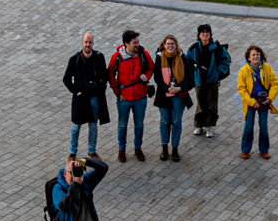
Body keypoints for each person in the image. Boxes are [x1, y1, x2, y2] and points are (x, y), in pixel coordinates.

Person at [107, 29, 153, 162]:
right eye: (134, 43)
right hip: (124, 98)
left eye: (138, 42)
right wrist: (117, 92)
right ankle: (122, 149)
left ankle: (138, 148)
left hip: (140, 96)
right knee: (122, 125)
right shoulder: (117, 57)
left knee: (139, 125)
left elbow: (151, 67)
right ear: (126, 44)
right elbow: (110, 74)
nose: (138, 45)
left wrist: (147, 76)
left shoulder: (143, 54)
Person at [62, 31, 109, 157]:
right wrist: (75, 91)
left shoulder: (99, 57)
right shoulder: (74, 60)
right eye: (86, 42)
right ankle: (72, 152)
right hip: (81, 99)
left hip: (94, 98)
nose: (88, 45)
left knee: (93, 126)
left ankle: (91, 151)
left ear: (93, 43)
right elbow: (66, 79)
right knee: (76, 127)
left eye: (90, 42)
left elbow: (105, 76)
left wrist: (102, 89)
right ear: (82, 43)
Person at [152, 34, 194, 162]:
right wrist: (166, 88)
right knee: (164, 122)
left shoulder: (183, 57)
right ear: (164, 45)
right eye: (168, 44)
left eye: (172, 44)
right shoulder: (159, 57)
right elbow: (157, 77)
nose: (170, 46)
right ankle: (164, 148)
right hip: (163, 95)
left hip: (178, 95)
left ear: (176, 45)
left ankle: (175, 148)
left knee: (176, 122)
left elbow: (190, 79)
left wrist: (179, 88)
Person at [187, 23, 231, 139]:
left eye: (207, 32)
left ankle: (209, 126)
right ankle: (199, 125)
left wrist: (217, 72)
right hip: (199, 80)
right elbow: (187, 62)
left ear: (210, 34)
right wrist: (194, 72)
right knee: (201, 103)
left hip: (212, 80)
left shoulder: (217, 48)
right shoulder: (194, 48)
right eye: (203, 32)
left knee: (212, 103)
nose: (205, 34)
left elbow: (226, 61)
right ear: (199, 35)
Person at [237, 45, 278, 160]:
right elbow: (241, 89)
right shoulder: (244, 71)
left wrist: (269, 98)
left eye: (258, 54)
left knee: (264, 127)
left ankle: (264, 150)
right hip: (250, 103)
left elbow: (274, 84)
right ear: (248, 58)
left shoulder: (267, 68)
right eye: (253, 55)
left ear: (261, 56)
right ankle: (245, 149)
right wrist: (252, 102)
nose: (256, 57)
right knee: (248, 127)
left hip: (263, 102)